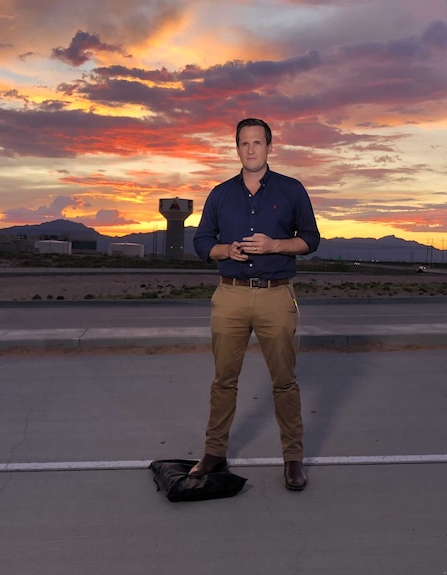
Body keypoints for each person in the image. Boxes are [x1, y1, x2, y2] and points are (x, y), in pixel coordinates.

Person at [191, 118, 321, 491]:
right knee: (223, 381)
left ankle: (293, 459)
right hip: (229, 294)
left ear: (269, 146)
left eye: (258, 143)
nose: (251, 149)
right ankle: (215, 453)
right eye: (244, 143)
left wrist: (275, 245)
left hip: (275, 296)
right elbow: (201, 241)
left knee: (284, 382)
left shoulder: (291, 190)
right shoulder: (220, 194)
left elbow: (311, 239)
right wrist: (224, 250)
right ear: (237, 148)